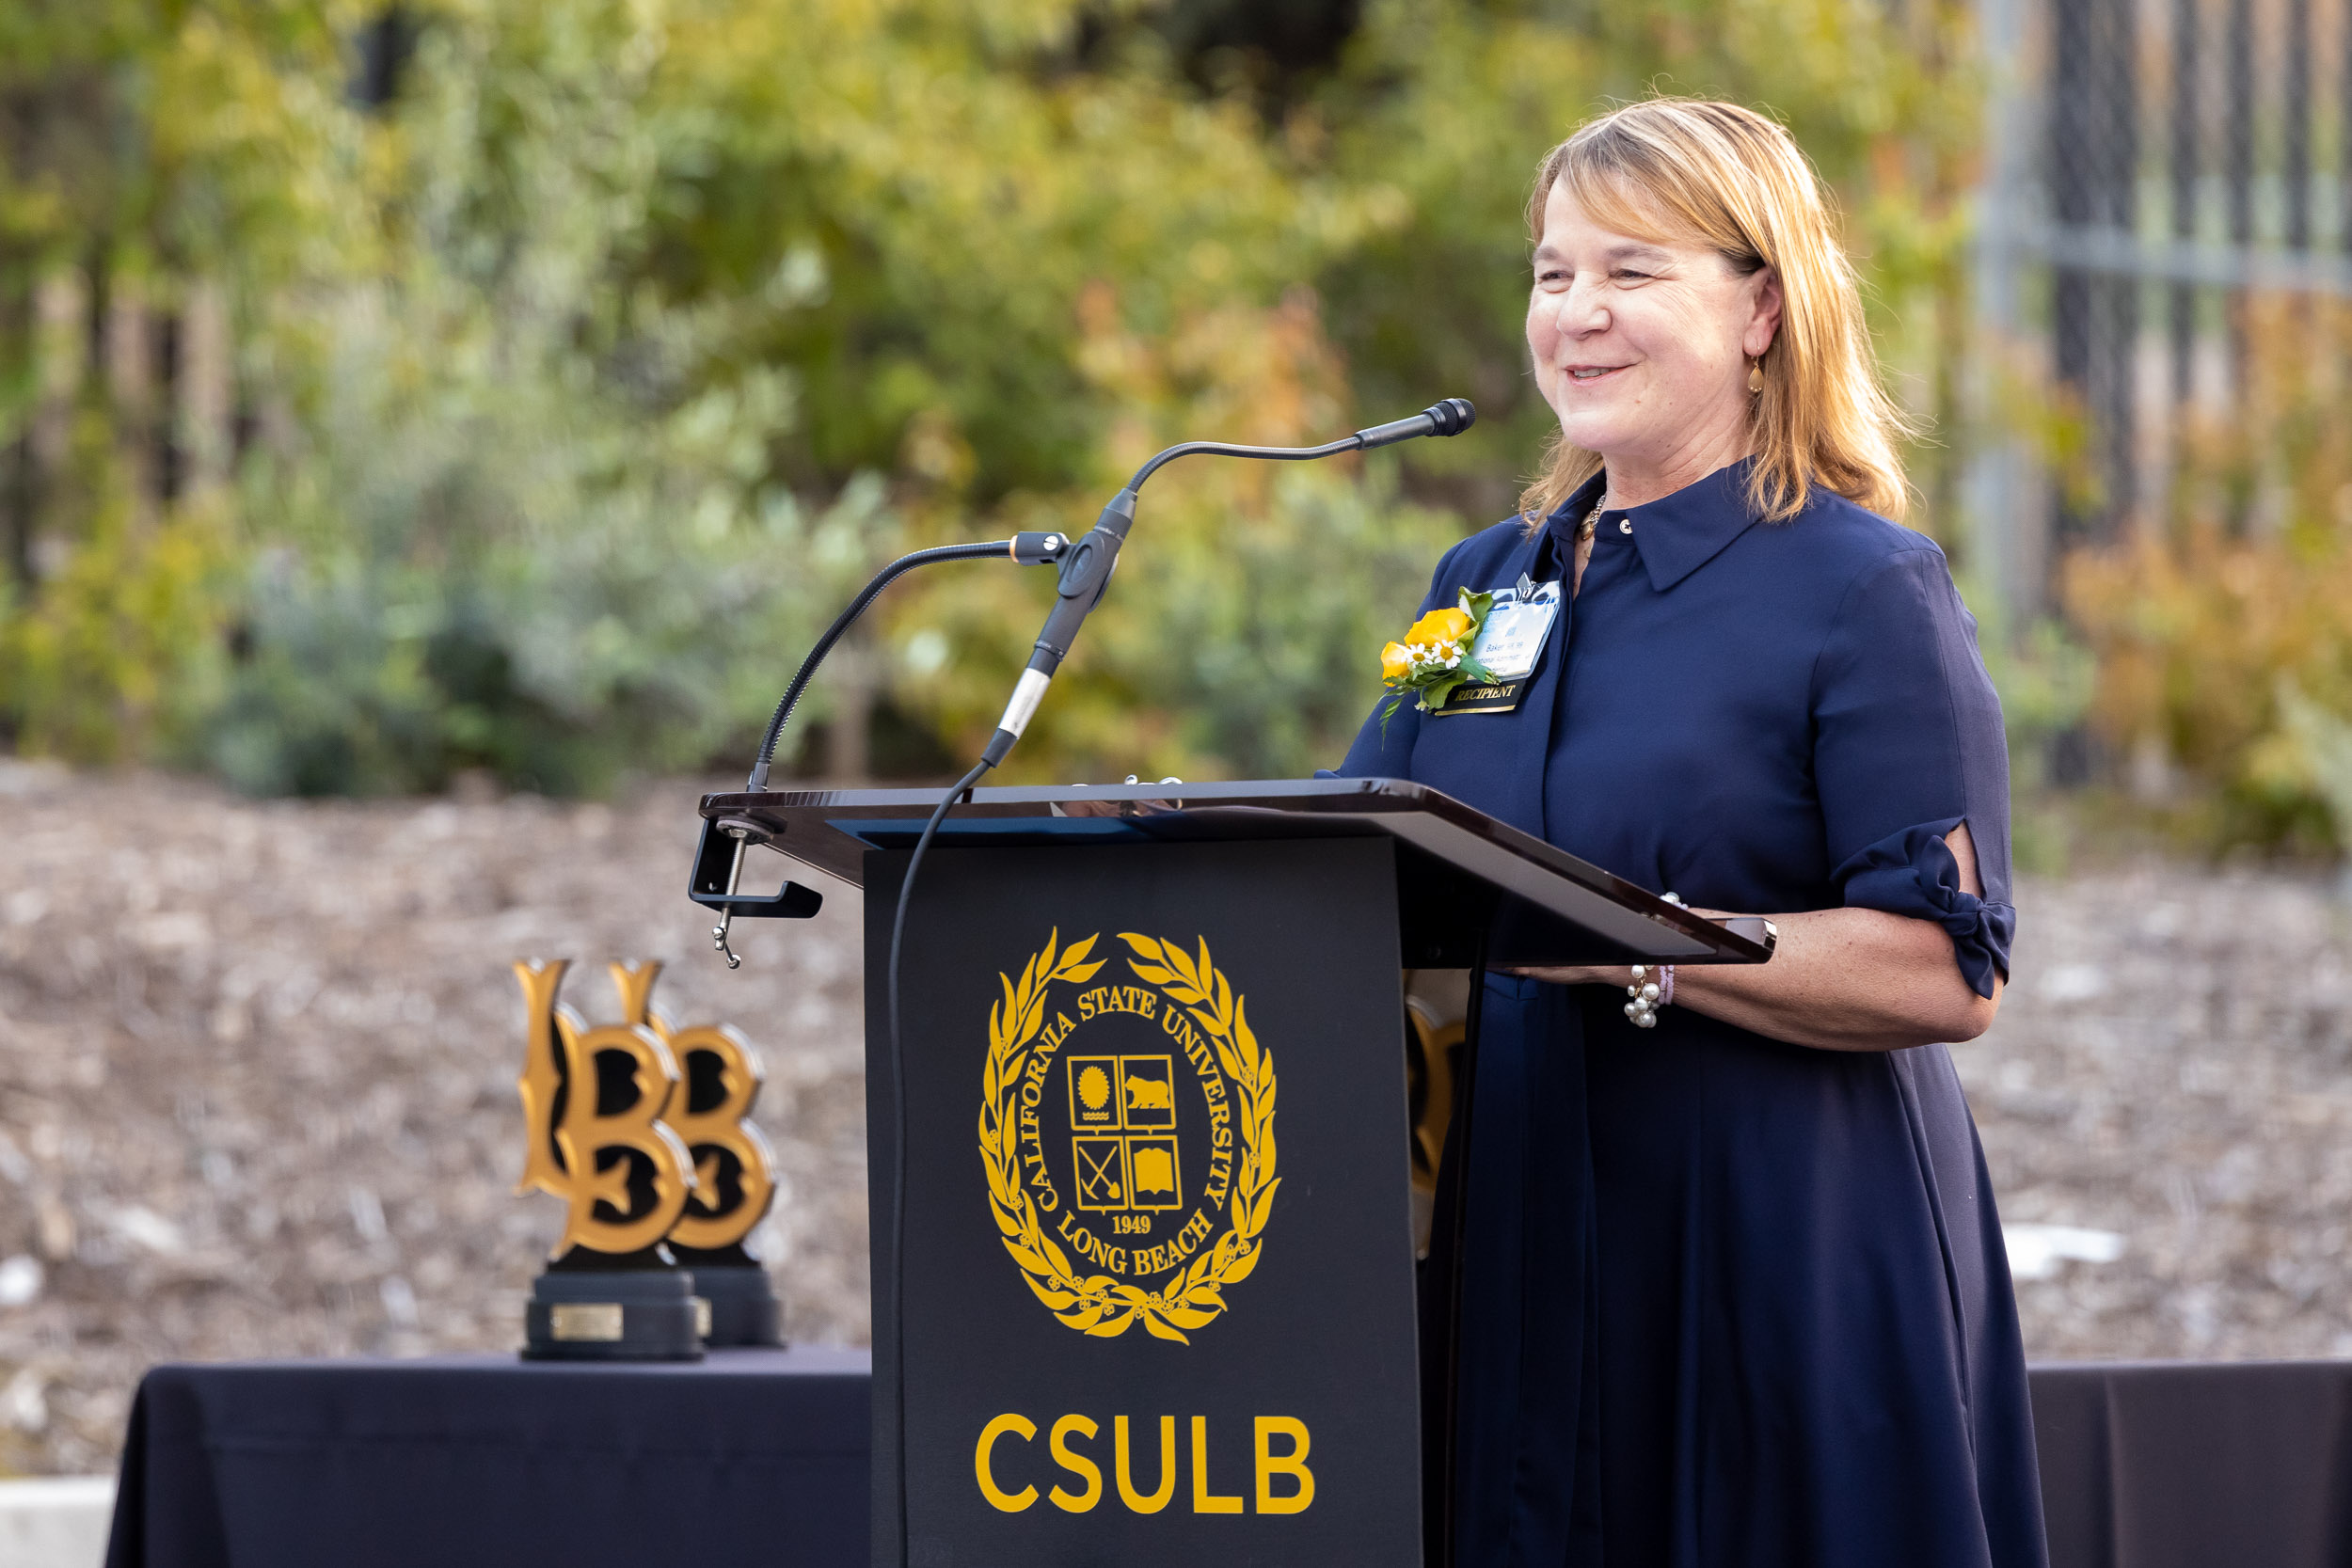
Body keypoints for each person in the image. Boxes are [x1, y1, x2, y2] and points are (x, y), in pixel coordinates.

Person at [1336, 99, 2047, 1567]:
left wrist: (1626, 949)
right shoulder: (1485, 586)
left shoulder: (1864, 589)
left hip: (1769, 1256)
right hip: (1508, 1235)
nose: (1576, 315)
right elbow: (1358, 850)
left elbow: (1940, 970)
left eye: (1632, 273)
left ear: (1763, 309)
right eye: (1552, 274)